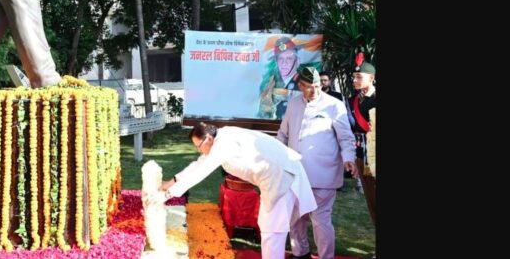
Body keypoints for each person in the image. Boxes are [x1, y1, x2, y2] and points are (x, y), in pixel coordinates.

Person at [151, 122, 317, 259]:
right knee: (272, 228)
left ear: (208, 138)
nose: (198, 150)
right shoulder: (220, 138)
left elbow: (202, 172)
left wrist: (167, 195)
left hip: (282, 175)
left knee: (272, 230)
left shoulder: (223, 143)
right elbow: (199, 164)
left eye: (199, 146)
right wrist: (170, 183)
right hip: (279, 175)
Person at [277, 66, 357, 259]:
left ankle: (325, 257)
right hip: (295, 173)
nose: (314, 91)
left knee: (321, 221)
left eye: (317, 86)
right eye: (309, 87)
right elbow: (283, 134)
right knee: (295, 218)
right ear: (300, 85)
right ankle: (300, 252)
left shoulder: (334, 105)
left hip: (324, 173)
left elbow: (346, 137)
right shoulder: (294, 104)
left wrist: (348, 159)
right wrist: (276, 157)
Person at [348, 53, 376, 225]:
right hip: (362, 157)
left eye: (359, 76)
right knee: (372, 201)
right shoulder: (352, 101)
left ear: (371, 78)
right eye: (354, 76)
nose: (355, 80)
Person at [258, 37, 302, 119]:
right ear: (276, 62)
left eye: (289, 58)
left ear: (298, 62)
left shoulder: (305, 85)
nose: (284, 63)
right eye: (280, 58)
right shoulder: (270, 83)